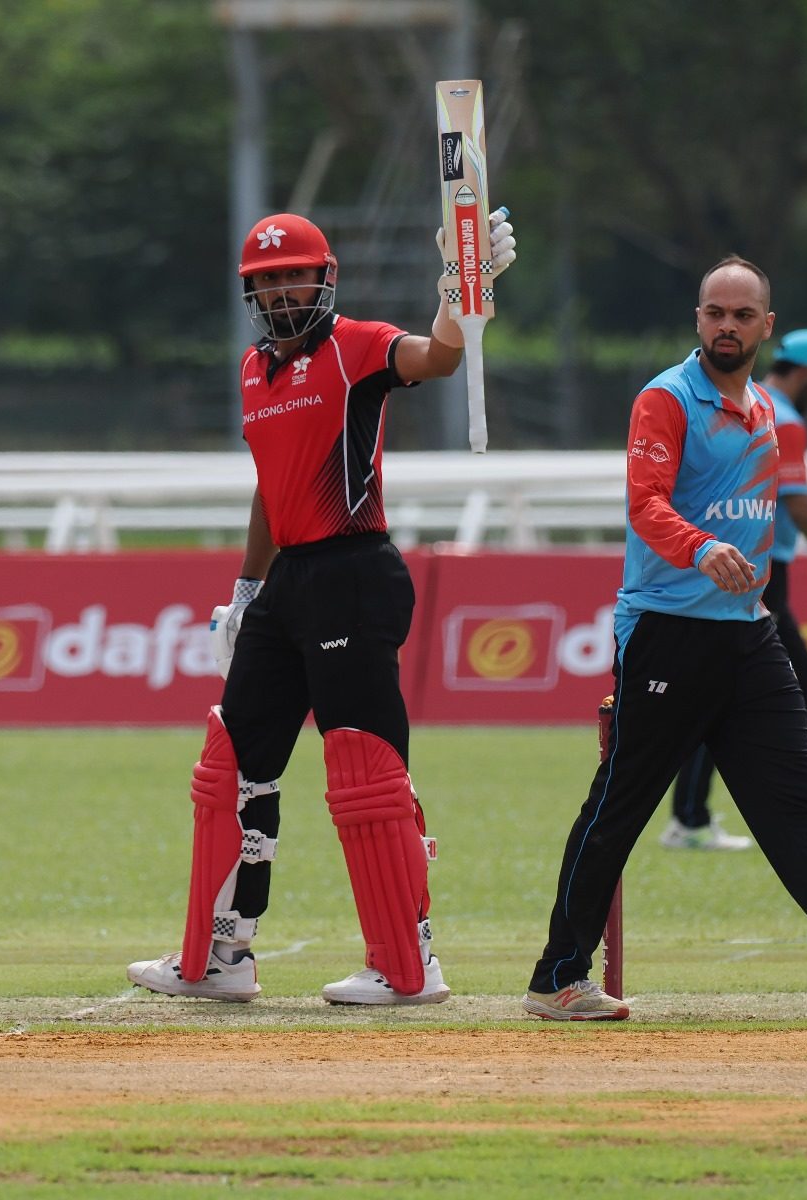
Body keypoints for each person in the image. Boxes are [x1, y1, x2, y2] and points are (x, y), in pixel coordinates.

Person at [522, 256, 807, 1021]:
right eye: (714, 312)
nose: (727, 325)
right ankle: (558, 975)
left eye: (742, 315)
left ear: (766, 327)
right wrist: (699, 548)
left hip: (748, 638)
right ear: (698, 320)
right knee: (619, 806)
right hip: (666, 633)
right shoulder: (666, 398)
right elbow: (644, 502)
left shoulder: (762, 412)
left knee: (796, 803)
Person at [127, 208, 516, 1005]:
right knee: (234, 765)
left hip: (355, 573)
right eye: (264, 281)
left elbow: (439, 358)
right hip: (287, 585)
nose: (278, 291)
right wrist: (244, 591)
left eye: (290, 275)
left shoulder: (357, 347)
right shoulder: (251, 370)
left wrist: (461, 288)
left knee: (366, 775)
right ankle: (220, 956)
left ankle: (409, 963)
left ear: (323, 276)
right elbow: (273, 491)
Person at [661, 328, 807, 852]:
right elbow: (798, 504)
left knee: (781, 687)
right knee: (766, 689)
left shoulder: (746, 403)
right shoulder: (784, 418)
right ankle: (779, 814)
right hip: (761, 572)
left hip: (732, 564)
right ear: (806, 374)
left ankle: (698, 816)